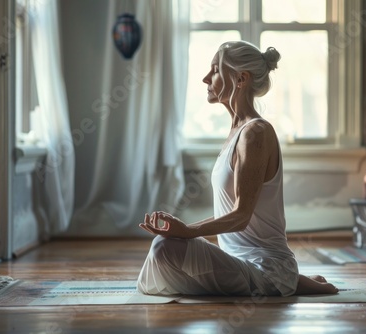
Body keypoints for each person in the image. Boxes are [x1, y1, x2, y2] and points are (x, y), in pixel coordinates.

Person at [137, 41, 338, 296]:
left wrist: (187, 231)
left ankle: (285, 279)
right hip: (238, 262)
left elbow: (241, 216)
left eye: (215, 70)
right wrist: (181, 233)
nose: (205, 78)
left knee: (163, 249)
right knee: (166, 245)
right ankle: (292, 281)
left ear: (241, 79)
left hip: (265, 267)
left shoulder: (255, 133)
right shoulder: (236, 133)